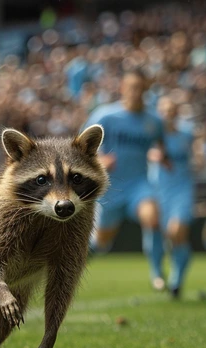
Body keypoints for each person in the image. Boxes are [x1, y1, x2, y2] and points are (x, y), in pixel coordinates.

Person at [83, 69, 169, 291]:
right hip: (111, 189)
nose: (136, 92)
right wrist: (100, 159)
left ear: (146, 90)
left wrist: (161, 156)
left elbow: (161, 146)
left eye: (140, 88)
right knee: (101, 243)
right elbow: (81, 148)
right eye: (132, 87)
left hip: (139, 185)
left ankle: (157, 273)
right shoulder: (105, 116)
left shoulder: (153, 121)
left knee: (153, 217)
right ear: (122, 88)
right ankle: (77, 262)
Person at [152, 96, 198, 299]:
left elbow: (197, 155)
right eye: (164, 110)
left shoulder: (186, 134)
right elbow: (148, 154)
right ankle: (166, 271)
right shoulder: (151, 136)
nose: (168, 114)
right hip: (159, 189)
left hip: (182, 189)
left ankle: (176, 279)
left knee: (176, 230)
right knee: (165, 236)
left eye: (171, 110)